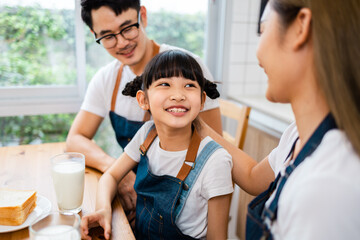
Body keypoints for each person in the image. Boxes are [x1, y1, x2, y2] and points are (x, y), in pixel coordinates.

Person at [201, 0, 360, 239]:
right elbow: (254, 176)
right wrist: (197, 125)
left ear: (301, 27)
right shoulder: (298, 133)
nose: (258, 52)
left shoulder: (328, 187)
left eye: (263, 30)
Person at [66, 0, 222, 216]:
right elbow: (75, 139)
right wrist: (116, 170)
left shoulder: (188, 68)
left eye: (128, 28)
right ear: (94, 34)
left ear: (143, 16)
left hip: (183, 209)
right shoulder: (106, 79)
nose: (121, 43)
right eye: (108, 36)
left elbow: (214, 146)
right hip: (134, 205)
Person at [80, 50, 233, 240]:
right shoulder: (147, 134)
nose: (178, 95)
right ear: (143, 100)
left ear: (202, 101)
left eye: (189, 85)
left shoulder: (215, 161)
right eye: (165, 84)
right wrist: (103, 209)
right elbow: (111, 175)